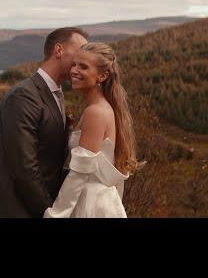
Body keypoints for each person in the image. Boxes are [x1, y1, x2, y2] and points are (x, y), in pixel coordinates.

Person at [0, 27, 89, 218]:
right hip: (15, 210)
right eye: (80, 51)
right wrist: (50, 213)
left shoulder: (56, 94)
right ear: (59, 50)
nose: (84, 59)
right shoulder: (23, 96)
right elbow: (25, 169)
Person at [44, 42, 142, 218]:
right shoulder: (97, 108)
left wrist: (55, 214)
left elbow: (79, 173)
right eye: (74, 64)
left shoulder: (96, 112)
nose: (74, 70)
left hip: (89, 204)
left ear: (103, 75)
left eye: (83, 67)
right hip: (95, 199)